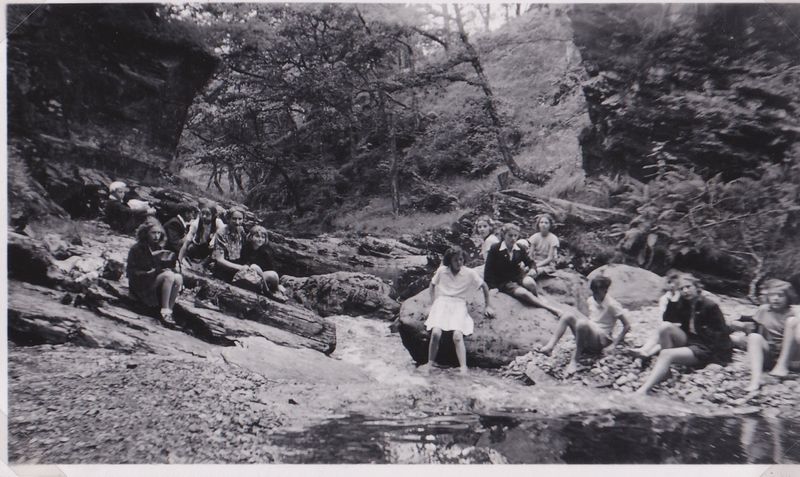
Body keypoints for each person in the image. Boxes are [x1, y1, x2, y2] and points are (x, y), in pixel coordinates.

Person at [635, 274, 733, 395]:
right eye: (681, 289)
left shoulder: (710, 306)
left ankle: (642, 391)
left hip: (706, 348)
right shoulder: (684, 303)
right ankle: (665, 371)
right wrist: (673, 301)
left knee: (666, 354)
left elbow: (722, 333)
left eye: (688, 287)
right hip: (692, 340)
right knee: (665, 327)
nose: (685, 291)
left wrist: (719, 359)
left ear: (696, 287)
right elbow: (667, 318)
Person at [420, 246, 494, 374]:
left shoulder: (469, 273)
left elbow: (484, 286)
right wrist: (432, 304)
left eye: (461, 259)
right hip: (442, 302)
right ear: (450, 260)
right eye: (455, 260)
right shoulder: (442, 271)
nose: (459, 262)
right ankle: (430, 363)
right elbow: (432, 285)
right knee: (436, 333)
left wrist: (488, 305)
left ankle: (463, 367)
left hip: (459, 304)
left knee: (457, 336)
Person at [538, 275, 631, 374]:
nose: (595, 294)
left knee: (582, 324)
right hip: (590, 335)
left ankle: (575, 360)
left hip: (600, 340)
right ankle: (550, 347)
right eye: (593, 291)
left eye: (597, 292)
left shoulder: (612, 305)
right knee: (567, 315)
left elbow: (627, 325)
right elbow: (591, 319)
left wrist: (614, 344)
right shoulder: (591, 300)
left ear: (605, 290)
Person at [730, 279, 800, 391]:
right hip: (771, 356)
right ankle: (755, 380)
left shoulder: (794, 311)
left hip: (793, 359)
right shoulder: (764, 310)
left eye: (781, 295)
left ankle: (782, 367)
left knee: (792, 321)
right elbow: (758, 331)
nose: (776, 298)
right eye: (772, 295)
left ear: (788, 297)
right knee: (754, 337)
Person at [484, 223, 561, 316]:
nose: (513, 238)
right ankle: (551, 309)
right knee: (523, 293)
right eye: (510, 235)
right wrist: (492, 287)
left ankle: (536, 296)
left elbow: (530, 262)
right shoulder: (495, 248)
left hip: (518, 275)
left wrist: (532, 269)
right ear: (503, 235)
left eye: (515, 236)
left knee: (530, 283)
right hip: (503, 280)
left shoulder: (519, 247)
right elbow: (488, 270)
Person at [126, 219, 183, 326]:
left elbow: (160, 267)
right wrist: (152, 272)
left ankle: (169, 311)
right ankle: (164, 311)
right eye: (153, 233)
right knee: (168, 276)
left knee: (178, 277)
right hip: (140, 284)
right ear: (146, 233)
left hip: (152, 281)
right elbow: (131, 272)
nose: (156, 236)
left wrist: (167, 268)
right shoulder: (137, 249)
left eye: (158, 233)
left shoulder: (158, 248)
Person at [633, 269, 683, 358]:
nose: (672, 286)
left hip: (680, 329)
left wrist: (675, 299)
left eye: (675, 283)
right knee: (661, 332)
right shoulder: (664, 298)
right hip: (668, 325)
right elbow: (664, 317)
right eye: (670, 282)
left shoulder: (683, 297)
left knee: (663, 331)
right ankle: (644, 352)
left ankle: (646, 352)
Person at [234, 225, 289, 302]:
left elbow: (272, 269)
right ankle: (268, 291)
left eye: (263, 237)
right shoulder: (245, 248)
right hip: (246, 276)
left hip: (261, 278)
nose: (260, 239)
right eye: (257, 236)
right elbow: (242, 264)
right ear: (250, 237)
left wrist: (278, 283)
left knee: (273, 275)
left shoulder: (265, 252)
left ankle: (273, 289)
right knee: (254, 267)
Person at [178, 201, 223, 268]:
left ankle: (206, 264)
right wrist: (179, 260)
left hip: (211, 249)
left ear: (214, 215)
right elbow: (186, 244)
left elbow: (221, 238)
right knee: (190, 247)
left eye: (207, 214)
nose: (204, 216)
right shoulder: (196, 224)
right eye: (202, 213)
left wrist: (213, 241)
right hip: (198, 247)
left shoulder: (218, 223)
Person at [212, 208, 246, 282]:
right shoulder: (221, 233)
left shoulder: (241, 230)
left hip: (238, 264)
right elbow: (219, 260)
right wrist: (240, 267)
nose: (237, 222)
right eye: (234, 219)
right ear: (228, 219)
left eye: (240, 219)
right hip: (223, 269)